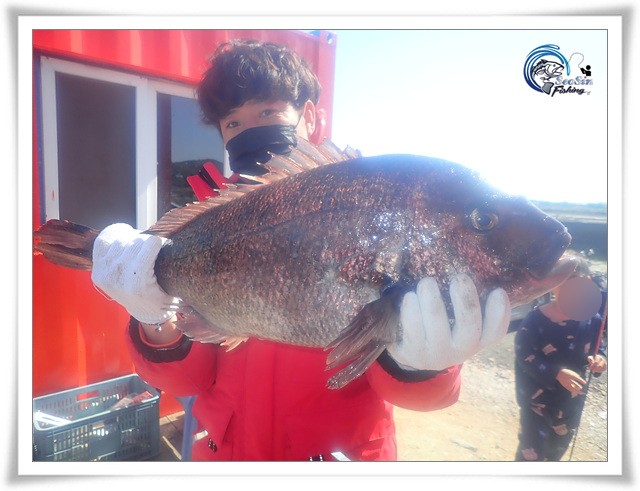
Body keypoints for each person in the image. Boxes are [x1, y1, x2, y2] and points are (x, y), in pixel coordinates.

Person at [90, 39, 511, 461]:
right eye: (232, 122)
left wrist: (421, 365)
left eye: (267, 112)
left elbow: (417, 397)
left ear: (308, 116)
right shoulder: (206, 226)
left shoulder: (365, 197)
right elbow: (186, 383)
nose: (249, 130)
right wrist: (154, 321)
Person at [514, 258, 607, 461]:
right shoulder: (535, 319)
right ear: (551, 284)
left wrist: (600, 360)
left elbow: (598, 349)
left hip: (570, 404)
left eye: (573, 279)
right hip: (536, 404)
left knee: (554, 455)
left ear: (587, 282)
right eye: (560, 279)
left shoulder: (594, 320)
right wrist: (556, 373)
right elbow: (524, 356)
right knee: (530, 456)